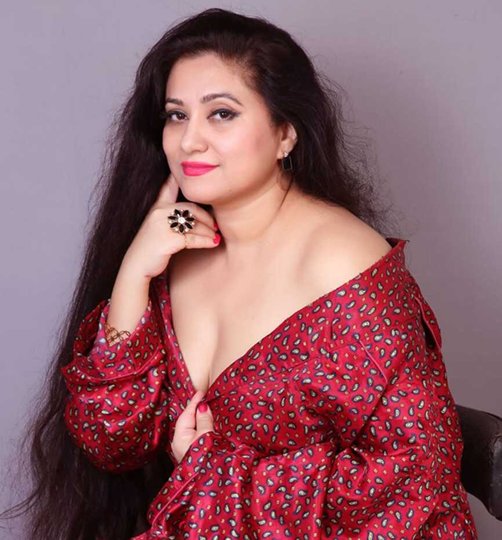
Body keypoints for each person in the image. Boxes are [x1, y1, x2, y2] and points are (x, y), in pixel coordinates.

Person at [2, 7, 477, 540]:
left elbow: (418, 476)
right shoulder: (173, 253)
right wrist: (133, 272)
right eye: (176, 115)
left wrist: (215, 473)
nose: (189, 141)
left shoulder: (343, 265)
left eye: (221, 114)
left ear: (285, 134)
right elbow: (111, 438)